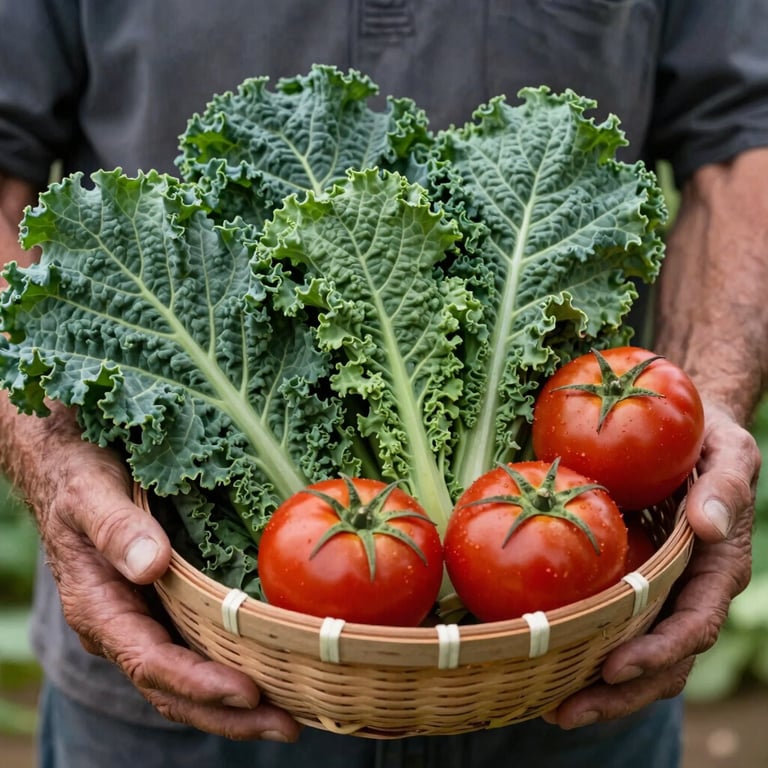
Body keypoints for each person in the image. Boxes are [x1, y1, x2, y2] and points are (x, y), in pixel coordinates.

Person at [0, 1, 765, 766]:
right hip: (197, 662)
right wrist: (51, 447)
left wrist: (711, 407)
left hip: (568, 656)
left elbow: (742, 132)